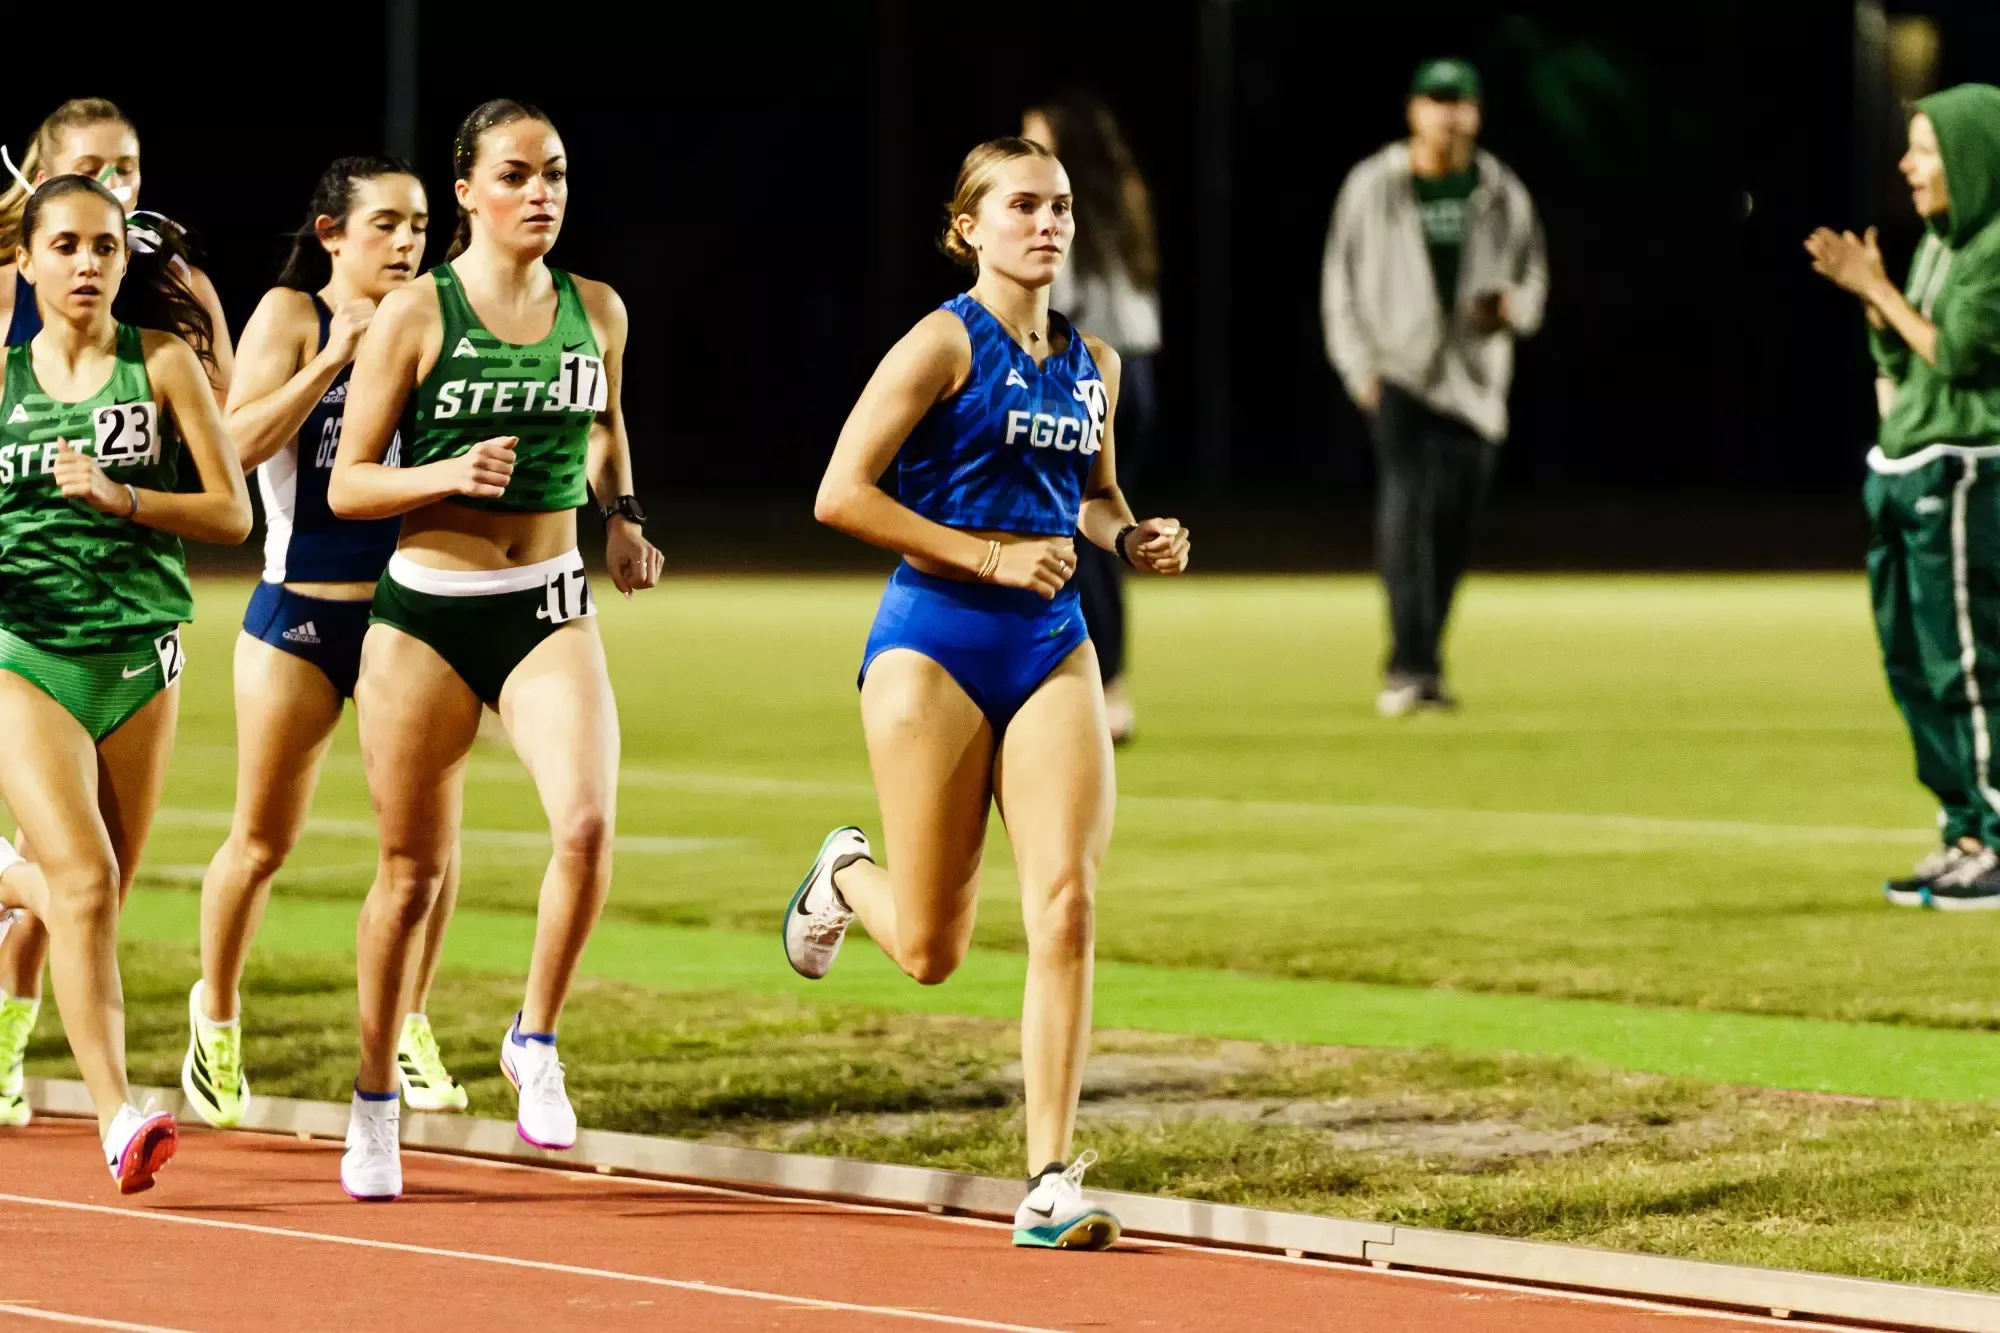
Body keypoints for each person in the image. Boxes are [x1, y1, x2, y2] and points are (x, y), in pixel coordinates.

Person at [785, 136, 1191, 1250]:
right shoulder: (937, 345)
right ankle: (840, 873)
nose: (1048, 223)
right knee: (929, 948)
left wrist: (1131, 536)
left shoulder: (1092, 363)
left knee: (1064, 903)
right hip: (934, 641)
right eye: (1022, 206)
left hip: (1052, 644)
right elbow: (838, 493)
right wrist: (986, 556)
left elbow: (1091, 497)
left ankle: (1049, 1176)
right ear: (969, 226)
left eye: (1059, 206)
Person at [328, 99, 662, 1201]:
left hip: (547, 602)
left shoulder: (595, 308)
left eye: (555, 173)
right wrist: (441, 475)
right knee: (410, 875)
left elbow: (606, 424)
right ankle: (374, 1101)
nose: (541, 193)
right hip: (428, 612)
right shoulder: (417, 315)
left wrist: (621, 515)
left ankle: (535, 1036)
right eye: (515, 175)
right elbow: (350, 479)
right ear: (465, 190)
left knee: (586, 822)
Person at [182, 156, 471, 1130]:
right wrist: (333, 357)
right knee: (261, 841)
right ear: (331, 235)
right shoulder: (291, 314)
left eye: (419, 225)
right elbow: (233, 447)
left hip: (410, 615)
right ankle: (215, 1019)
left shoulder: (438, 320)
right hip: (299, 613)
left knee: (429, 849)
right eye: (384, 223)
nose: (405, 242)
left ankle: (410, 1023)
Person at [0, 175, 251, 1189]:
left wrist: (124, 497)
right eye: (63, 246)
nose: (86, 264)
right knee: (85, 881)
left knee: (97, 897)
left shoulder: (164, 366)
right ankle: (118, 1117)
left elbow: (232, 515)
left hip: (142, 657)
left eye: (104, 247)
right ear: (25, 260)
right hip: (25, 657)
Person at [1806, 85, 2000, 909]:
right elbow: (1905, 357)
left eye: (1926, 150)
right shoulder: (1937, 243)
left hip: (1962, 470)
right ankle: (1961, 827)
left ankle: (1997, 836)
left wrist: (1874, 289)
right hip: (1907, 468)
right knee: (1911, 665)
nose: (1909, 166)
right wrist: (1878, 299)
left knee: (1964, 663)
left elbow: (1955, 356)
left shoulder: (1993, 248)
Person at [1321, 57, 1547, 716]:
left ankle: (1428, 660)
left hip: (1475, 383)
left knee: (1454, 528)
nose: (1449, 114)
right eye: (1436, 101)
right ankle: (1406, 664)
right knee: (1406, 515)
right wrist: (1359, 371)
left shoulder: (1501, 190)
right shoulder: (1374, 184)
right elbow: (1340, 283)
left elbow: (1534, 277)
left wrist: (1514, 309)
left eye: (1460, 102)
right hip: (1399, 375)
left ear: (1475, 113)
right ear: (1413, 110)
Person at [1021, 92, 1161, 745]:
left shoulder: (1059, 211)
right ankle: (1104, 684)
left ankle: (1104, 688)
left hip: (1088, 369)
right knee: (1103, 523)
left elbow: (1057, 302)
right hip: (1138, 370)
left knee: (1086, 533)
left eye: (1036, 137)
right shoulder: (1123, 198)